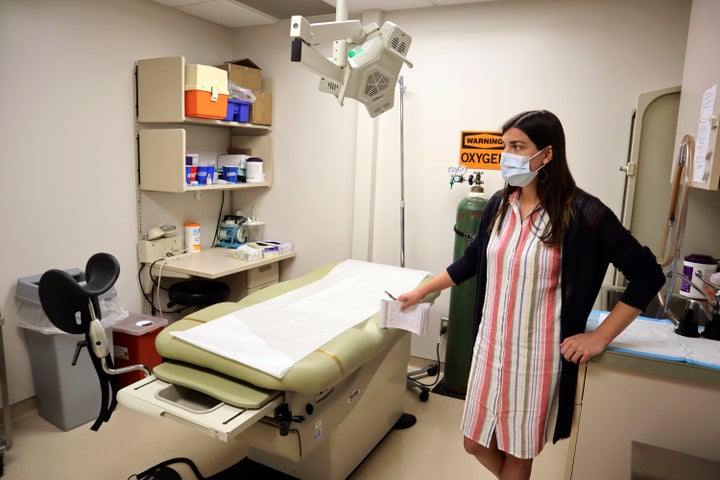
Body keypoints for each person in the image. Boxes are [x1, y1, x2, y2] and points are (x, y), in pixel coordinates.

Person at [397, 110, 665, 480]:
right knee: (473, 443)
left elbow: (648, 275)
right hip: (489, 350)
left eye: (518, 147)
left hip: (535, 361)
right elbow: (472, 260)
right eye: (505, 146)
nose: (507, 155)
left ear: (547, 154)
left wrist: (600, 337)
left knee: (517, 456)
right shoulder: (499, 205)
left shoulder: (584, 214)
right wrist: (421, 292)